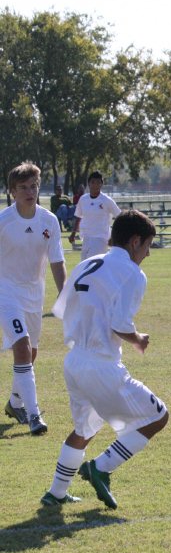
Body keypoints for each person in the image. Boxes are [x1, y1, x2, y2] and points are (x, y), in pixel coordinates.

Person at [42, 210, 168, 509]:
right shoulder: (133, 273)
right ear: (135, 241)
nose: (148, 254)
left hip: (74, 361)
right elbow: (120, 324)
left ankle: (56, 493)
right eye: (148, 245)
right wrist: (137, 339)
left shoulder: (87, 263)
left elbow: (62, 309)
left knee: (84, 429)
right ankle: (101, 467)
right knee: (158, 416)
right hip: (101, 363)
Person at [1, 162, 66, 435]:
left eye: (34, 186)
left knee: (31, 352)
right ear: (12, 191)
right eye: (24, 187)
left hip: (33, 295)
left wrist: (66, 296)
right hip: (6, 292)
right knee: (23, 346)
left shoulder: (49, 221)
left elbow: (57, 262)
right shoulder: (3, 221)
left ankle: (15, 403)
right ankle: (34, 415)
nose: (31, 191)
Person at [68, 171, 122, 260]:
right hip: (86, 238)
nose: (95, 185)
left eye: (98, 182)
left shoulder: (106, 200)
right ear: (89, 184)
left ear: (102, 184)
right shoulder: (83, 199)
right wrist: (73, 233)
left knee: (93, 267)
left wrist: (113, 236)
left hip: (100, 239)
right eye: (93, 182)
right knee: (84, 267)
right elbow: (79, 216)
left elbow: (120, 217)